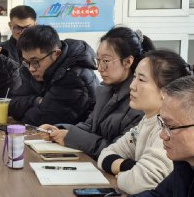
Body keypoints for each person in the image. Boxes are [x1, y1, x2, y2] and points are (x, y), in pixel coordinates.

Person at [37, 26, 150, 157]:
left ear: (128, 61)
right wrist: (59, 130)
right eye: (98, 60)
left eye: (106, 61)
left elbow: (117, 150)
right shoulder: (105, 90)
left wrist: (69, 137)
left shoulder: (139, 101)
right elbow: (89, 126)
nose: (99, 68)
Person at [97, 50, 194, 195]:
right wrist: (129, 167)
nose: (132, 86)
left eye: (141, 80)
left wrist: (125, 173)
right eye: (134, 77)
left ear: (166, 91)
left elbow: (137, 183)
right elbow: (105, 154)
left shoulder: (171, 129)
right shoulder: (148, 120)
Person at [9, 24, 97, 126]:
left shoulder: (75, 76)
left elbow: (39, 120)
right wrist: (37, 101)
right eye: (26, 61)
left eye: (35, 61)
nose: (31, 69)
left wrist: (29, 106)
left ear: (57, 54)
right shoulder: (31, 68)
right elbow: (12, 105)